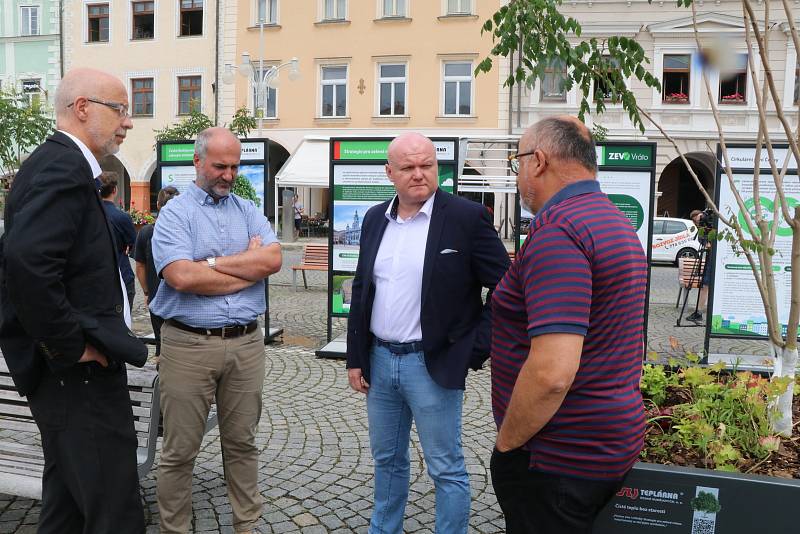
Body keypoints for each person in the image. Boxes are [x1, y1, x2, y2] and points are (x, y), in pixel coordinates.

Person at [0, 68, 147, 533]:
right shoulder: (63, 166)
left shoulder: (56, 164)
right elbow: (27, 265)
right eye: (119, 109)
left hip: (71, 377)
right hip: (78, 375)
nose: (128, 121)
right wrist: (68, 346)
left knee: (65, 508)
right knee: (114, 513)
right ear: (83, 108)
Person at [490, 116, 648, 533]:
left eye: (517, 160)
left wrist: (507, 445)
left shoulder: (559, 230)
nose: (518, 172)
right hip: (606, 440)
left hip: (558, 456)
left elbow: (552, 373)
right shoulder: (612, 220)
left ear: (538, 161)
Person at [346, 132, 509, 533]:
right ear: (390, 173)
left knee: (446, 467)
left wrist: (473, 349)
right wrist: (356, 357)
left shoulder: (465, 218)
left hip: (433, 363)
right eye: (408, 168)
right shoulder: (373, 219)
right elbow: (364, 288)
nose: (419, 174)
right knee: (387, 461)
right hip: (381, 362)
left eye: (427, 165)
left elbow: (507, 289)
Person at [150, 127, 282, 534]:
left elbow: (273, 260)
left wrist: (209, 263)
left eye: (235, 166)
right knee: (179, 450)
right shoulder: (176, 212)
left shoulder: (247, 209)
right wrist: (244, 262)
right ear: (197, 162)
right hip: (188, 344)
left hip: (246, 343)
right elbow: (181, 277)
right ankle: (176, 529)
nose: (228, 174)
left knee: (242, 443)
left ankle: (247, 525)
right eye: (220, 166)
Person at [133, 185, 180, 357]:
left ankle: (164, 375)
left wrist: (147, 291)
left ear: (158, 205)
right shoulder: (184, 232)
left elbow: (140, 266)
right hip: (182, 298)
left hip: (156, 298)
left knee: (162, 343)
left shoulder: (147, 232)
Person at [99, 171, 137, 310]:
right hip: (121, 272)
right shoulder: (122, 217)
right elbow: (134, 245)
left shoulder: (88, 215)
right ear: (115, 190)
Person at [687, 209, 711, 322]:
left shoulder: (713, 219)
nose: (700, 221)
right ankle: (699, 312)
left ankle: (699, 312)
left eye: (701, 218)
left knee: (706, 286)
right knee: (704, 285)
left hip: (717, 258)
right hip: (711, 258)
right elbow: (704, 242)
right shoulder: (701, 229)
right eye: (697, 221)